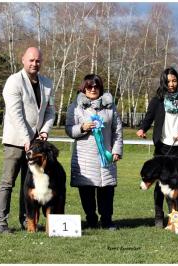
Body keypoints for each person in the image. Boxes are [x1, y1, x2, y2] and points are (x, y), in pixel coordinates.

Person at [0, 47, 55, 233]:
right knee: (7, 182)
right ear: (23, 60)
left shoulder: (47, 83)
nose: (34, 64)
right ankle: (1, 222)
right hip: (15, 141)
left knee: (28, 185)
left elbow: (51, 110)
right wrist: (27, 138)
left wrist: (44, 132)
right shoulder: (13, 81)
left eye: (37, 61)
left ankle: (26, 220)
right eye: (31, 60)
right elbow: (15, 114)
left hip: (36, 144)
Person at [136, 67, 178, 227]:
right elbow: (148, 118)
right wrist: (142, 129)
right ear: (163, 82)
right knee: (160, 183)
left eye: (174, 80)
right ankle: (158, 215)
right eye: (168, 81)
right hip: (162, 148)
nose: (171, 84)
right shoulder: (157, 101)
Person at [65, 74, 123, 230]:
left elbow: (117, 130)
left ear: (100, 88)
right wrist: (82, 128)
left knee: (107, 190)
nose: (93, 89)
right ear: (84, 88)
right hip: (85, 157)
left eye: (96, 86)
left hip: (106, 156)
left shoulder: (111, 107)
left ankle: (107, 220)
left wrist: (117, 150)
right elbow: (69, 129)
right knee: (86, 191)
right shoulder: (75, 107)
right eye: (89, 86)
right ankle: (91, 219)